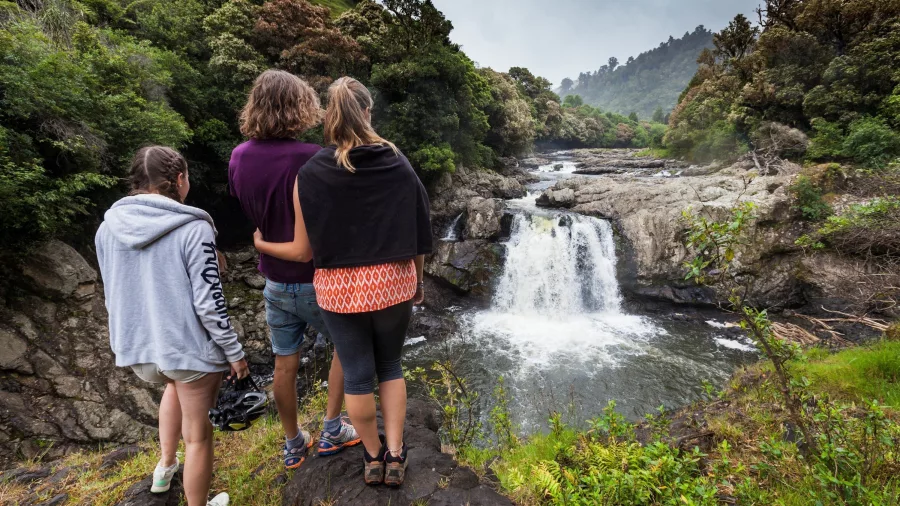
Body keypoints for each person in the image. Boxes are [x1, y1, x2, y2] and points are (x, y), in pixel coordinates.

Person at [254, 77, 433, 487]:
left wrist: (261, 242)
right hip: (391, 283)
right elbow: (419, 230)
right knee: (390, 366)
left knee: (356, 375)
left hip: (338, 289)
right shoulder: (396, 160)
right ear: (367, 111)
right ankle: (395, 454)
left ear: (328, 117)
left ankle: (371, 457)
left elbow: (304, 248)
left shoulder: (310, 172)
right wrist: (417, 281)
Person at [95, 146, 245, 506]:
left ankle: (164, 467)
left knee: (172, 388)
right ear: (179, 180)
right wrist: (234, 353)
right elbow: (209, 303)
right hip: (188, 351)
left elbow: (114, 291)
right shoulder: (195, 227)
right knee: (198, 438)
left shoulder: (107, 228)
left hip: (141, 352)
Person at [229, 69, 359, 469]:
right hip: (316, 278)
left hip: (274, 282)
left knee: (285, 363)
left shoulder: (238, 157)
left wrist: (262, 242)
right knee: (347, 348)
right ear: (299, 106)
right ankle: (333, 427)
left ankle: (292, 443)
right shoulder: (310, 157)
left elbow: (252, 211)